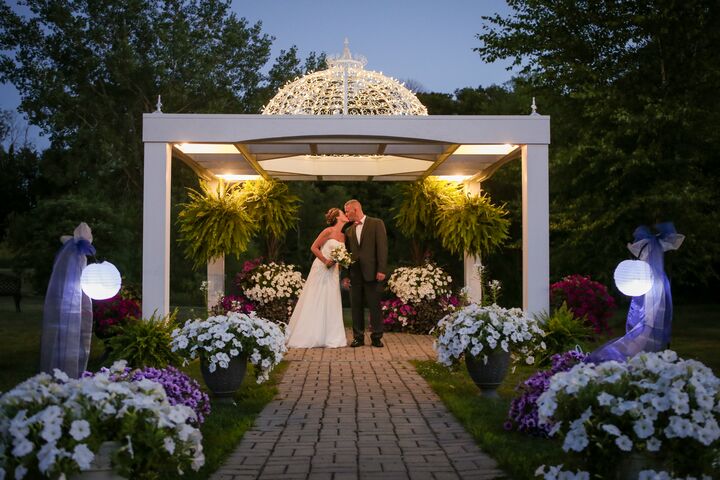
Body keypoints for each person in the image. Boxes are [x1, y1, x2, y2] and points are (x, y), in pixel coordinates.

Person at [286, 208, 349, 348]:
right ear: (338, 217)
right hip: (321, 268)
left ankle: (331, 337)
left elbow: (342, 256)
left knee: (331, 300)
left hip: (333, 272)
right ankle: (309, 335)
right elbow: (314, 247)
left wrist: (341, 264)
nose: (346, 215)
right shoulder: (328, 231)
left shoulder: (344, 236)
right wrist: (326, 260)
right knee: (316, 298)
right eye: (343, 213)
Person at [342, 199, 388, 348]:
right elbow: (347, 254)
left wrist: (381, 269)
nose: (346, 214)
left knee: (374, 306)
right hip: (355, 274)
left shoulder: (376, 223)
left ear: (356, 209)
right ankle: (358, 337)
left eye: (347, 211)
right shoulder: (348, 231)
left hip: (373, 273)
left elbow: (382, 247)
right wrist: (347, 274)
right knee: (356, 307)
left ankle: (376, 337)